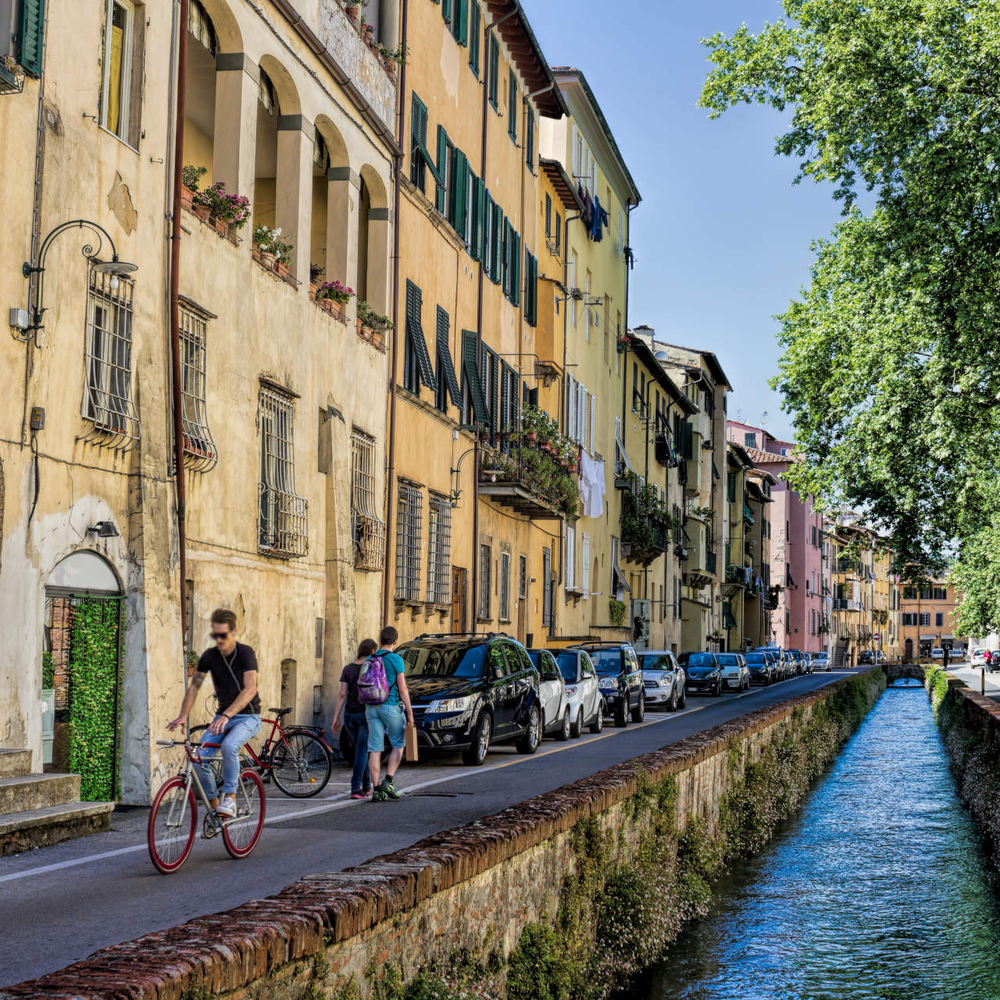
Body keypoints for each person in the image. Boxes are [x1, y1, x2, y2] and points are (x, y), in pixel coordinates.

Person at [167, 608, 261, 820]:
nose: (219, 640)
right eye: (215, 635)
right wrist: (183, 714)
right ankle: (216, 808)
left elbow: (250, 688)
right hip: (223, 717)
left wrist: (227, 715)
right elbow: (195, 686)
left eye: (223, 635)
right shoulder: (209, 656)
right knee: (199, 758)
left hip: (248, 717)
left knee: (229, 746)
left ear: (234, 632)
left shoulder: (245, 653)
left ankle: (230, 797)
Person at [366, 626, 415, 802]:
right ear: (395, 642)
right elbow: (402, 688)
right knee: (398, 743)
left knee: (375, 749)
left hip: (371, 707)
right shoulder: (396, 659)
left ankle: (376, 789)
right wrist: (410, 712)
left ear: (380, 640)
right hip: (390, 706)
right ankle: (388, 780)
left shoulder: (371, 658)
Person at [332, 639, 377, 799]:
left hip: (349, 715)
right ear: (372, 651)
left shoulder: (348, 669)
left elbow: (342, 694)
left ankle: (366, 786)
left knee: (361, 750)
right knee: (361, 751)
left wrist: (336, 717)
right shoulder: (371, 667)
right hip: (365, 714)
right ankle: (355, 788)